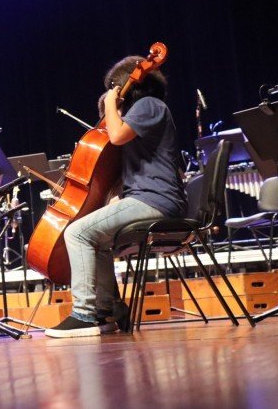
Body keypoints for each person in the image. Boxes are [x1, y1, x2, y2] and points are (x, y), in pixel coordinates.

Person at [45, 56, 187, 338]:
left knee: (77, 233)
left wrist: (111, 103)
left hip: (156, 199)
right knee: (96, 238)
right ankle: (105, 310)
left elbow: (117, 135)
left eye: (116, 90)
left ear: (126, 87)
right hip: (150, 198)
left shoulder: (149, 105)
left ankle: (84, 315)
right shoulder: (147, 118)